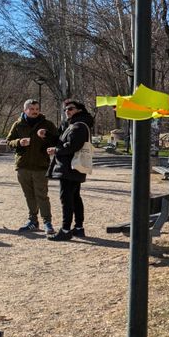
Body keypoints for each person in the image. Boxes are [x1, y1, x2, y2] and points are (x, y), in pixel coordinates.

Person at [41, 100, 95, 241]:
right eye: (65, 109)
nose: (67, 111)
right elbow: (60, 140)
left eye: (70, 109)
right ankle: (78, 228)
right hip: (72, 167)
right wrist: (47, 135)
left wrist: (56, 150)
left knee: (66, 198)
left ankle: (65, 230)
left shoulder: (78, 126)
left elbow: (72, 146)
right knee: (75, 197)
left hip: (70, 167)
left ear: (79, 110)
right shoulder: (71, 125)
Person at [6, 99, 59, 234]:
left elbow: (57, 140)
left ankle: (47, 222)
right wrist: (18, 142)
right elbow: (8, 141)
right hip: (23, 165)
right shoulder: (18, 124)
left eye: (37, 109)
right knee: (29, 195)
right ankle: (33, 221)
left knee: (42, 195)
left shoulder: (47, 124)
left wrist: (47, 138)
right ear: (25, 110)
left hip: (41, 165)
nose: (35, 112)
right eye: (32, 109)